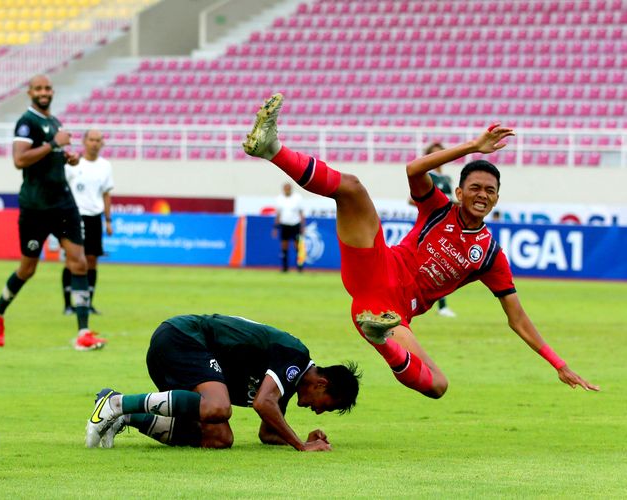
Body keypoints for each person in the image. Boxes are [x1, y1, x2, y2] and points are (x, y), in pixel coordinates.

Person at [242, 93, 599, 399]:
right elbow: (414, 169)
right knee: (350, 188)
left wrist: (559, 364)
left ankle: (378, 338)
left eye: (489, 191)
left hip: (389, 314)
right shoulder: (437, 208)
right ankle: (271, 148)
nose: (482, 194)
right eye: (474, 187)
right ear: (459, 193)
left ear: (496, 200)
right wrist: (473, 146)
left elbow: (517, 319)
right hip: (377, 266)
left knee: (438, 386)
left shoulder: (490, 255)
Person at [85, 314, 361, 451]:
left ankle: (127, 417)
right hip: (182, 337)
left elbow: (267, 434)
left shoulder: (283, 387)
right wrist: (301, 447)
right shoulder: (296, 358)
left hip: (180, 356)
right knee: (219, 407)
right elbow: (263, 404)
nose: (319, 411)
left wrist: (304, 438)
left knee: (220, 438)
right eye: (327, 405)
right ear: (321, 384)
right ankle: (115, 403)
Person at [0, 74, 107, 351]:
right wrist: (53, 145)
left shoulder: (54, 122)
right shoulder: (27, 122)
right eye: (38, 88)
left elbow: (50, 154)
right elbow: (19, 159)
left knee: (78, 261)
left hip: (63, 204)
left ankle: (83, 333)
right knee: (27, 269)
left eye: (47, 87)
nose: (44, 92)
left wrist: (66, 156)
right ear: (30, 92)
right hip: (35, 208)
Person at [62, 129, 114, 315]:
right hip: (74, 217)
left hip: (94, 218)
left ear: (102, 143)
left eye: (98, 140)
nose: (94, 143)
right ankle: (68, 305)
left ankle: (88, 303)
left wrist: (108, 220)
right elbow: (63, 189)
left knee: (92, 260)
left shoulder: (105, 166)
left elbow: (106, 193)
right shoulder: (73, 164)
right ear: (84, 141)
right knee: (72, 260)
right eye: (91, 139)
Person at [408, 142, 456, 318]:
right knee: (432, 265)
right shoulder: (429, 177)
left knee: (442, 266)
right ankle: (439, 306)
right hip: (430, 226)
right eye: (434, 154)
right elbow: (411, 199)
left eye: (440, 154)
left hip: (447, 228)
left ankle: (441, 305)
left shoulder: (447, 179)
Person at [273, 182, 305, 272]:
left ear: (291, 189)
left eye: (288, 188)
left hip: (295, 224)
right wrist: (275, 227)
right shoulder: (279, 199)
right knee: (284, 246)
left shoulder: (297, 198)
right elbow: (278, 214)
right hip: (284, 225)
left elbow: (301, 213)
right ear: (283, 189)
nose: (287, 190)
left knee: (297, 247)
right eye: (285, 188)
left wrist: (302, 226)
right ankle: (285, 267)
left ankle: (300, 267)